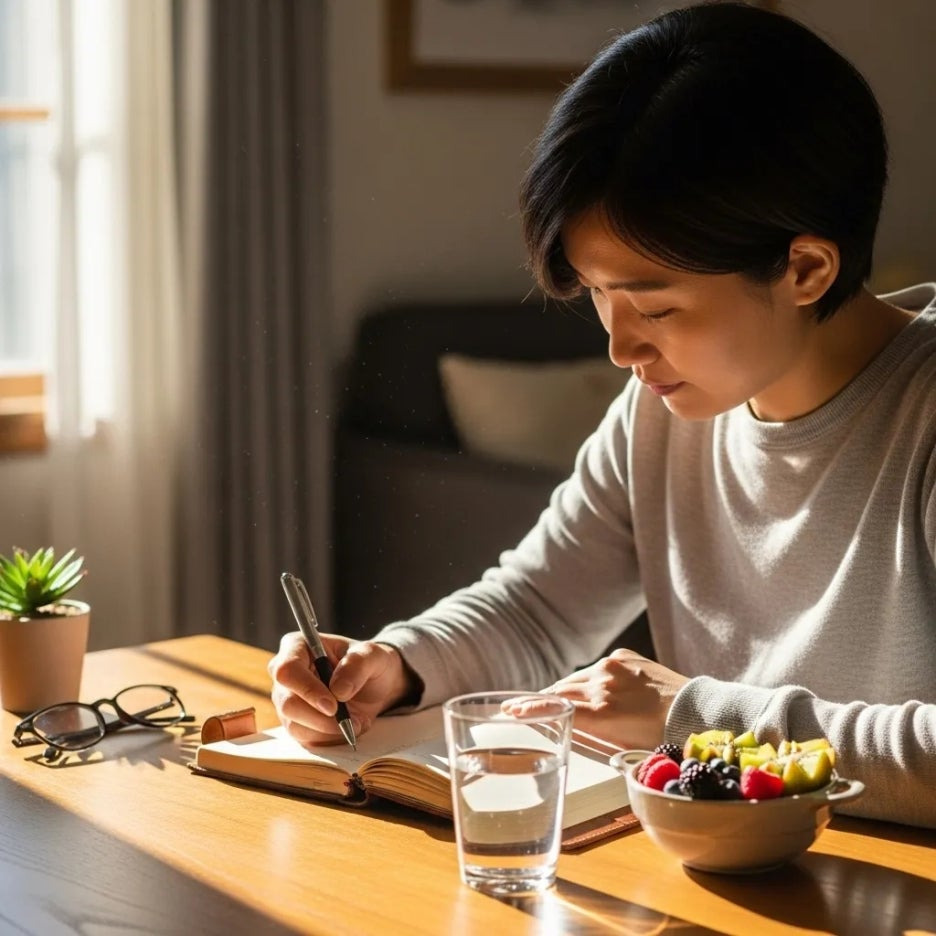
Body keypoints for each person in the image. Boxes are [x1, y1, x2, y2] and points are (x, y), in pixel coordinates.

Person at [269, 2, 936, 828]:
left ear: (804, 268)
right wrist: (398, 663)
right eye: (597, 296)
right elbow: (537, 609)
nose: (620, 349)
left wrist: (693, 716)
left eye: (653, 308)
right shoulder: (663, 413)